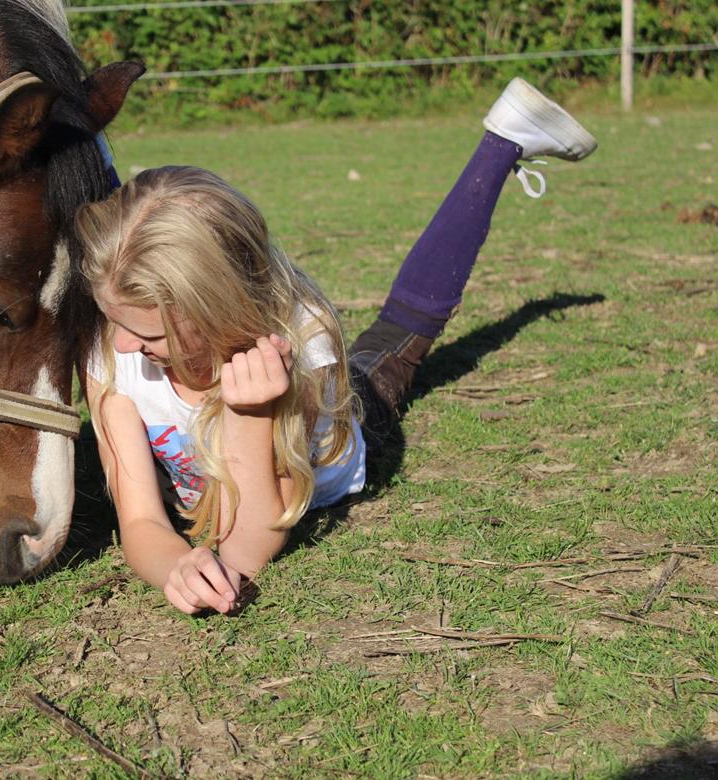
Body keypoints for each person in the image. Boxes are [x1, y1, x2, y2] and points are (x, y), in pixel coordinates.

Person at [76, 78, 597, 616]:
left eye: (151, 334)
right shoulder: (114, 353)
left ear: (217, 308)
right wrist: (173, 566)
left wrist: (251, 415)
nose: (124, 344)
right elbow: (140, 520)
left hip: (344, 421)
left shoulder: (303, 346)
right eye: (113, 320)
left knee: (398, 337)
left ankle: (501, 146)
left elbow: (247, 549)